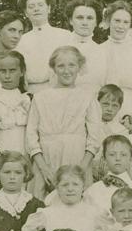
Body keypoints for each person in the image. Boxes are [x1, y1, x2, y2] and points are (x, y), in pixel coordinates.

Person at [28, 46, 101, 192]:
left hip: (77, 159)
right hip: (46, 159)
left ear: (79, 67)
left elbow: (94, 137)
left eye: (72, 65)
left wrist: (81, 169)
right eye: (61, 66)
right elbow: (31, 136)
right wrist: (44, 168)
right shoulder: (40, 97)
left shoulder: (87, 97)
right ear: (54, 68)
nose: (66, 71)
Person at [17, 0, 77, 91]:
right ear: (26, 13)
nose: (36, 9)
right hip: (31, 94)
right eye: (31, 6)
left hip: (61, 92)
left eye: (40, 5)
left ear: (48, 8)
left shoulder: (65, 36)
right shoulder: (20, 41)